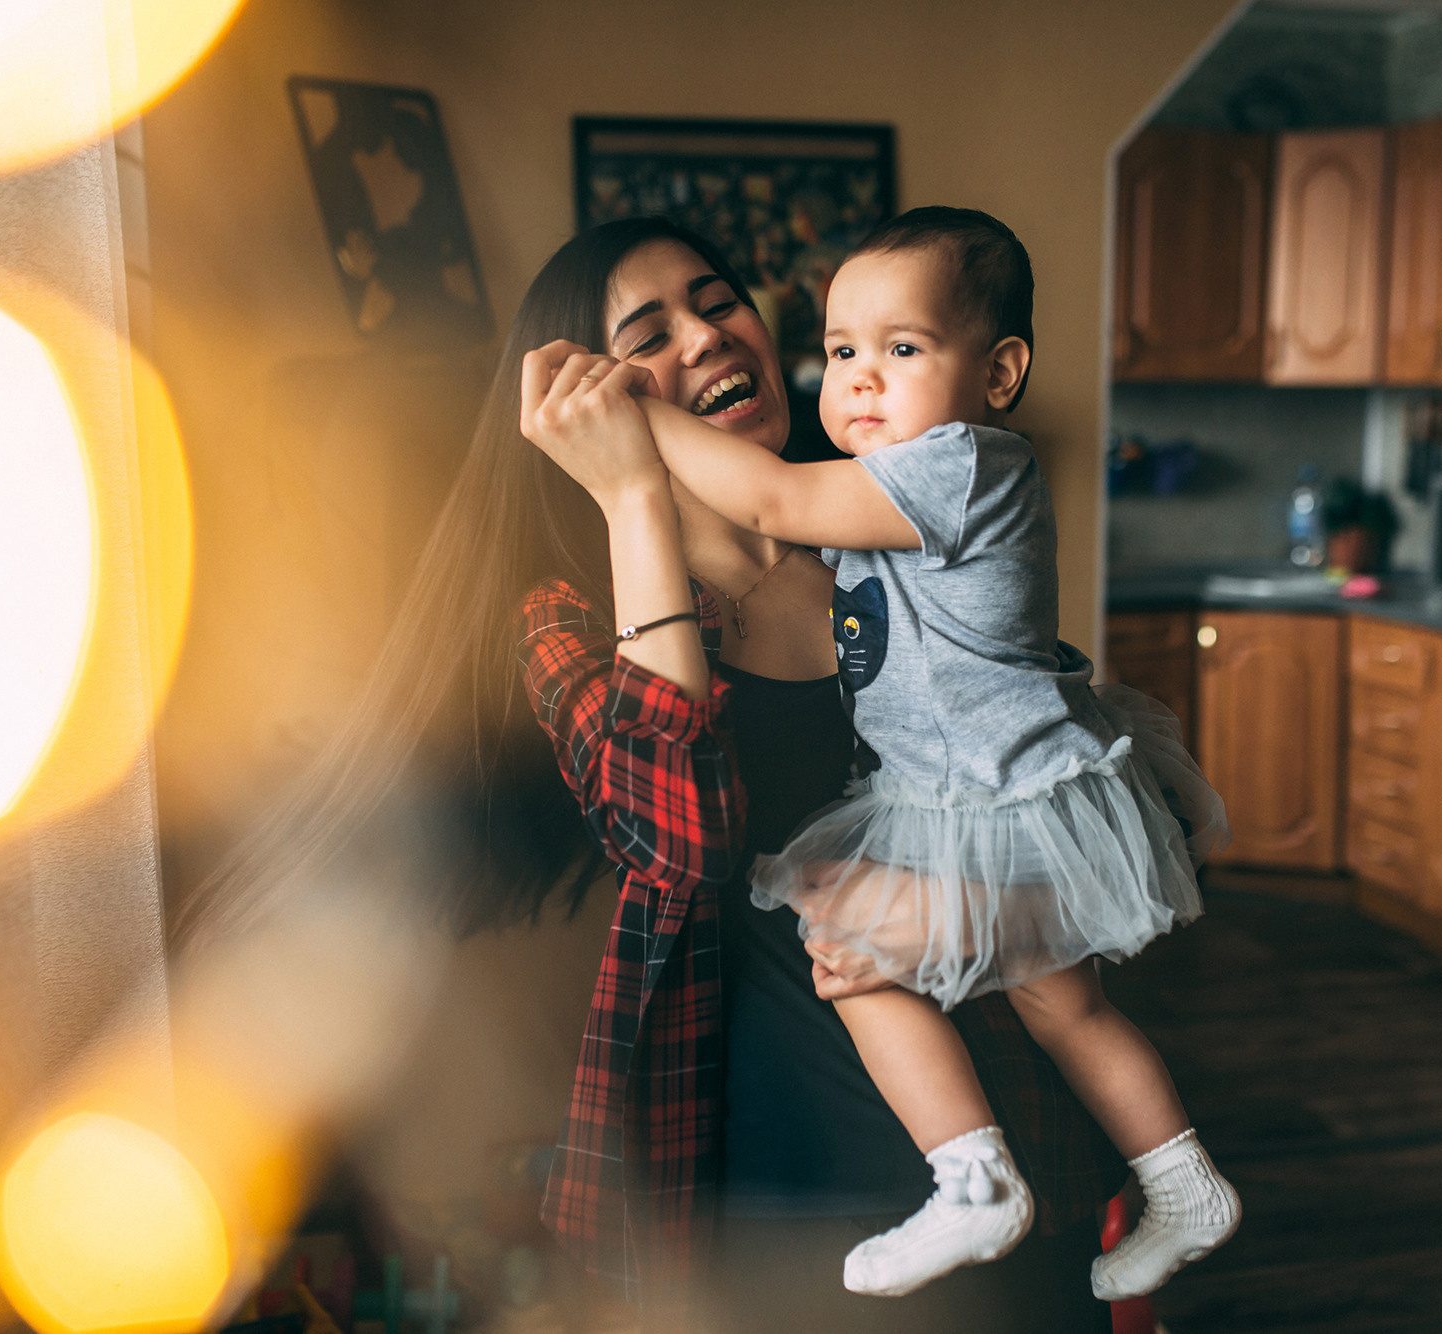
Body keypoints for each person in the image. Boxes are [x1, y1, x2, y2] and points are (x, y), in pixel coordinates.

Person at [425, 216, 1118, 1332]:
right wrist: (636, 500)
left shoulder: (878, 531)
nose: (706, 337)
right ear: (595, 398)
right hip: (774, 1163)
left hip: (998, 1105)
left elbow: (1045, 789)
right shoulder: (570, 618)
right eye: (649, 333)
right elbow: (682, 846)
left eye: (717, 301)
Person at [627, 207, 1242, 1301]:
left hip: (994, 793)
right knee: (1067, 1010)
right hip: (983, 781)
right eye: (843, 351)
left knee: (843, 939)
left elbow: (772, 495)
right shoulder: (896, 474)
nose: (860, 380)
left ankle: (972, 1178)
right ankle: (1179, 1178)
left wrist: (634, 417)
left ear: (997, 370)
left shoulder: (958, 465)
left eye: (901, 350)